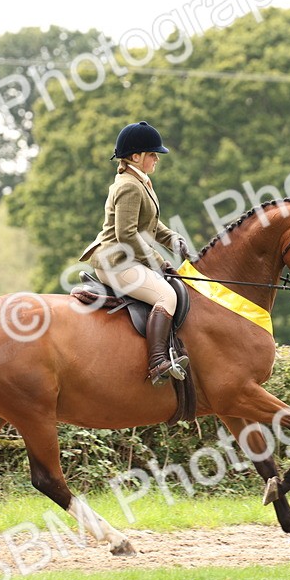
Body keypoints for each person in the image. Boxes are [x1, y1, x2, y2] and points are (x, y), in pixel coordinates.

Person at [80, 121, 191, 385]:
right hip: (116, 261)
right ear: (135, 156)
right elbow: (127, 235)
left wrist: (173, 239)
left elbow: (150, 225)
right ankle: (157, 363)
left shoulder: (141, 181)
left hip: (127, 257)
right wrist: (160, 262)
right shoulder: (129, 186)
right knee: (166, 296)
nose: (156, 159)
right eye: (152, 154)